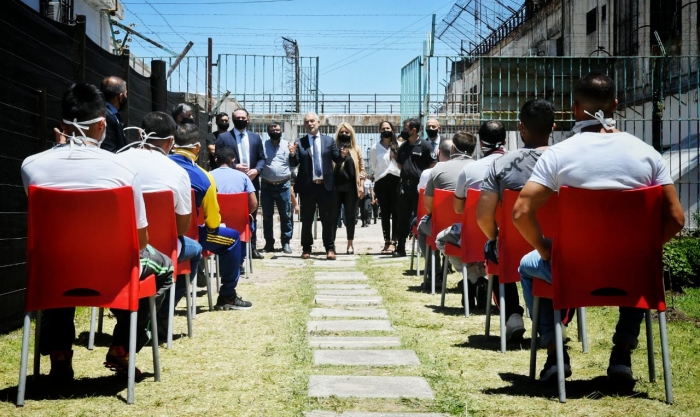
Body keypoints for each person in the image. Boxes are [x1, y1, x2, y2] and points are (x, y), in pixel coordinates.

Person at [513, 72, 685, 382]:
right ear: (616, 105)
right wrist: (640, 250)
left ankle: (555, 357)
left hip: (572, 272)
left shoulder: (558, 155)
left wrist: (544, 248)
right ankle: (622, 356)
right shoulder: (647, 154)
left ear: (575, 108)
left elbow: (521, 212)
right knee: (641, 262)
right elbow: (676, 219)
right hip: (630, 273)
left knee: (528, 264)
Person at [20, 84, 173, 381]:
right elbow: (140, 242)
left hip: (53, 273)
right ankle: (123, 345)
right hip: (114, 272)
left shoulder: (31, 167)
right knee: (163, 266)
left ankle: (59, 353)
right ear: (102, 124)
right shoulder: (122, 168)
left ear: (62, 125)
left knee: (58, 260)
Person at [115, 111, 203, 339]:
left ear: (140, 134)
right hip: (163, 249)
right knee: (195, 251)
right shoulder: (178, 172)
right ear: (171, 141)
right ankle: (163, 313)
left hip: (120, 246)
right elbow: (181, 229)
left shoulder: (116, 162)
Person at [475, 99, 555, 341]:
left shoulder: (501, 164)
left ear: (521, 127)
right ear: (553, 127)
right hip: (555, 248)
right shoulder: (567, 160)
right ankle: (560, 318)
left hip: (512, 246)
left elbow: (483, 217)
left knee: (493, 247)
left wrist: (496, 237)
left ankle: (512, 314)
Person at [170, 123, 252, 310]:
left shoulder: (157, 168)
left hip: (149, 237)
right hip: (187, 238)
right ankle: (227, 296)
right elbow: (213, 222)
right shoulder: (204, 177)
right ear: (198, 148)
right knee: (232, 239)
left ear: (173, 144)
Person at [435, 120, 507, 308]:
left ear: (481, 144)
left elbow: (459, 209)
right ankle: (480, 279)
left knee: (441, 240)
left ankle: (474, 277)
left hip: (475, 234)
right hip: (508, 236)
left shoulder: (470, 170)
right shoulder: (515, 166)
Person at [419, 134, 475, 289]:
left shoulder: (437, 169)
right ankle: (473, 276)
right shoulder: (478, 167)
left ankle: (434, 272)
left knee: (422, 228)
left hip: (442, 227)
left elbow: (429, 207)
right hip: (472, 226)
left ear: (453, 148)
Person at [289, 112, 344, 260]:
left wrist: (343, 155)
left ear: (318, 122)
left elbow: (337, 160)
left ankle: (330, 248)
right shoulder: (300, 143)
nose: (310, 124)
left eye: (312, 121)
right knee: (306, 219)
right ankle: (306, 248)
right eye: (307, 122)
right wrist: (292, 154)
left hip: (326, 187)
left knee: (328, 219)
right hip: (308, 187)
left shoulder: (328, 141)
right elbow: (294, 163)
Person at [215, 108, 265, 259]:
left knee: (252, 215)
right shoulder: (224, 138)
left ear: (248, 119)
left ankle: (252, 247)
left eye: (243, 117)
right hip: (232, 183)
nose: (241, 120)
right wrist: (234, 166)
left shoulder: (255, 137)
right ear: (233, 119)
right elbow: (218, 158)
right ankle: (231, 246)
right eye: (237, 117)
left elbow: (262, 158)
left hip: (252, 181)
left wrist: (256, 170)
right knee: (231, 216)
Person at [393, 118, 438, 257]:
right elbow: (400, 164)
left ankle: (422, 247)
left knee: (420, 217)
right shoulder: (404, 146)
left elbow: (433, 165)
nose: (403, 131)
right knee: (402, 217)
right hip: (404, 187)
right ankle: (400, 246)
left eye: (406, 128)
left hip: (419, 188)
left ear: (414, 130)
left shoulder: (425, 145)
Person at [211, 146, 259, 266]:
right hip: (239, 223)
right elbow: (254, 204)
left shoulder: (208, 176)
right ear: (233, 160)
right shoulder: (243, 177)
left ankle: (221, 261)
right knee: (248, 223)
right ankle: (238, 261)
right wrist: (245, 213)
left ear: (216, 160)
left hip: (216, 222)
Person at [331, 123, 366, 254]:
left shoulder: (355, 149)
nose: (344, 134)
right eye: (342, 132)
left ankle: (350, 243)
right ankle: (331, 244)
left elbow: (362, 169)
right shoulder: (333, 148)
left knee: (351, 216)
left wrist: (361, 185)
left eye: (347, 132)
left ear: (351, 134)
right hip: (335, 188)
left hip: (351, 188)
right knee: (333, 216)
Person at [260, 121, 294, 254]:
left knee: (285, 215)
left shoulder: (287, 145)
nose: (275, 131)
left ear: (282, 131)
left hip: (284, 185)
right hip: (267, 184)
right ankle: (269, 243)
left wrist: (292, 155)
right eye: (272, 129)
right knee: (267, 216)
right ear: (268, 132)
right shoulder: (263, 145)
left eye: (277, 129)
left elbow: (294, 162)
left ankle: (286, 242)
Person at [99, 76, 129, 153]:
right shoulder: (107, 116)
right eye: (126, 94)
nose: (126, 97)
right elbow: (108, 150)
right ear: (120, 96)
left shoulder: (110, 114)